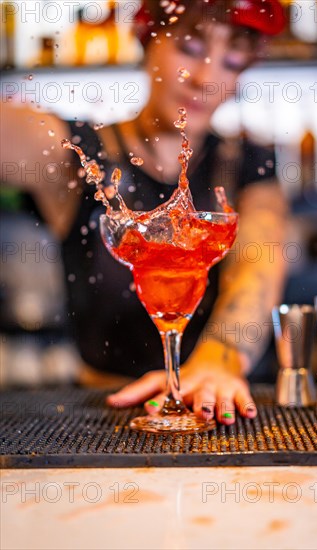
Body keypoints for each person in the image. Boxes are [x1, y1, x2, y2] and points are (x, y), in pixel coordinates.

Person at [2, 0, 289, 425]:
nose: (206, 78)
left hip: (220, 411)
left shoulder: (248, 163)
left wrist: (220, 358)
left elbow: (259, 262)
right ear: (147, 42)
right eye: (189, 49)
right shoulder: (77, 157)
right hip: (96, 417)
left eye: (230, 61)